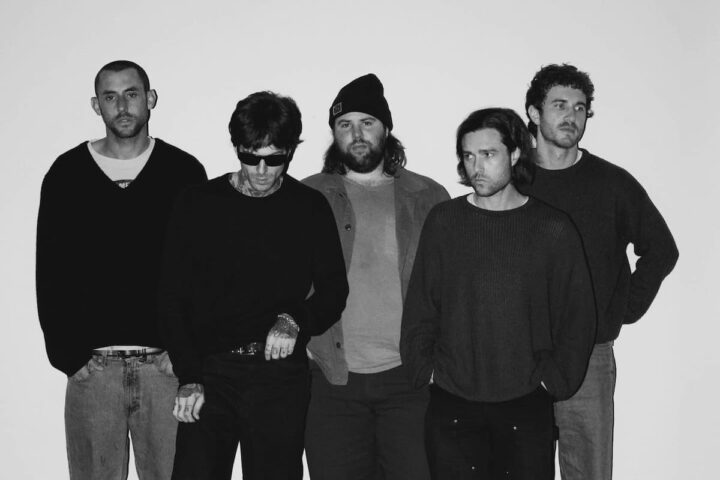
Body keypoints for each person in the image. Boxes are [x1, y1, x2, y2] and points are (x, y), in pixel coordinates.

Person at [159, 91, 348, 480]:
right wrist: (189, 375)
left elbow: (334, 291)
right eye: (251, 157)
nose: (262, 170)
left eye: (274, 159)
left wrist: (296, 319)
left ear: (289, 151)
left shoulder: (308, 207)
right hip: (210, 372)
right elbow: (171, 297)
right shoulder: (197, 204)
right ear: (236, 148)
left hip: (278, 376)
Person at [401, 108, 596, 480]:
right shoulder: (444, 222)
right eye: (468, 156)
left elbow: (578, 317)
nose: (477, 167)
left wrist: (553, 381)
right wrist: (425, 370)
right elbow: (420, 308)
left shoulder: (552, 229)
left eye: (488, 154)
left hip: (526, 405)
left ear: (515, 153)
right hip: (452, 405)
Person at [36, 60, 207, 480]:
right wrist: (67, 355)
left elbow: (202, 270)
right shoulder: (67, 173)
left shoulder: (184, 172)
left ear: (150, 99)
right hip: (94, 374)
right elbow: (50, 271)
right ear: (97, 106)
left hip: (165, 371)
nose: (122, 106)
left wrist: (185, 354)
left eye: (131, 94)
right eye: (110, 97)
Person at [521, 63, 679, 480]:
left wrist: (621, 310)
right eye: (559, 105)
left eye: (580, 107)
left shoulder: (611, 183)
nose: (571, 116)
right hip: (518, 357)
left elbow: (662, 249)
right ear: (534, 113)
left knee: (589, 473)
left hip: (589, 358)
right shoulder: (513, 182)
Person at [303, 73, 449, 480]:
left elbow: (451, 286)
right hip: (331, 381)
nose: (356, 134)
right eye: (344, 124)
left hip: (408, 380)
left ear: (386, 128)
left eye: (367, 122)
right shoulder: (307, 196)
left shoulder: (429, 197)